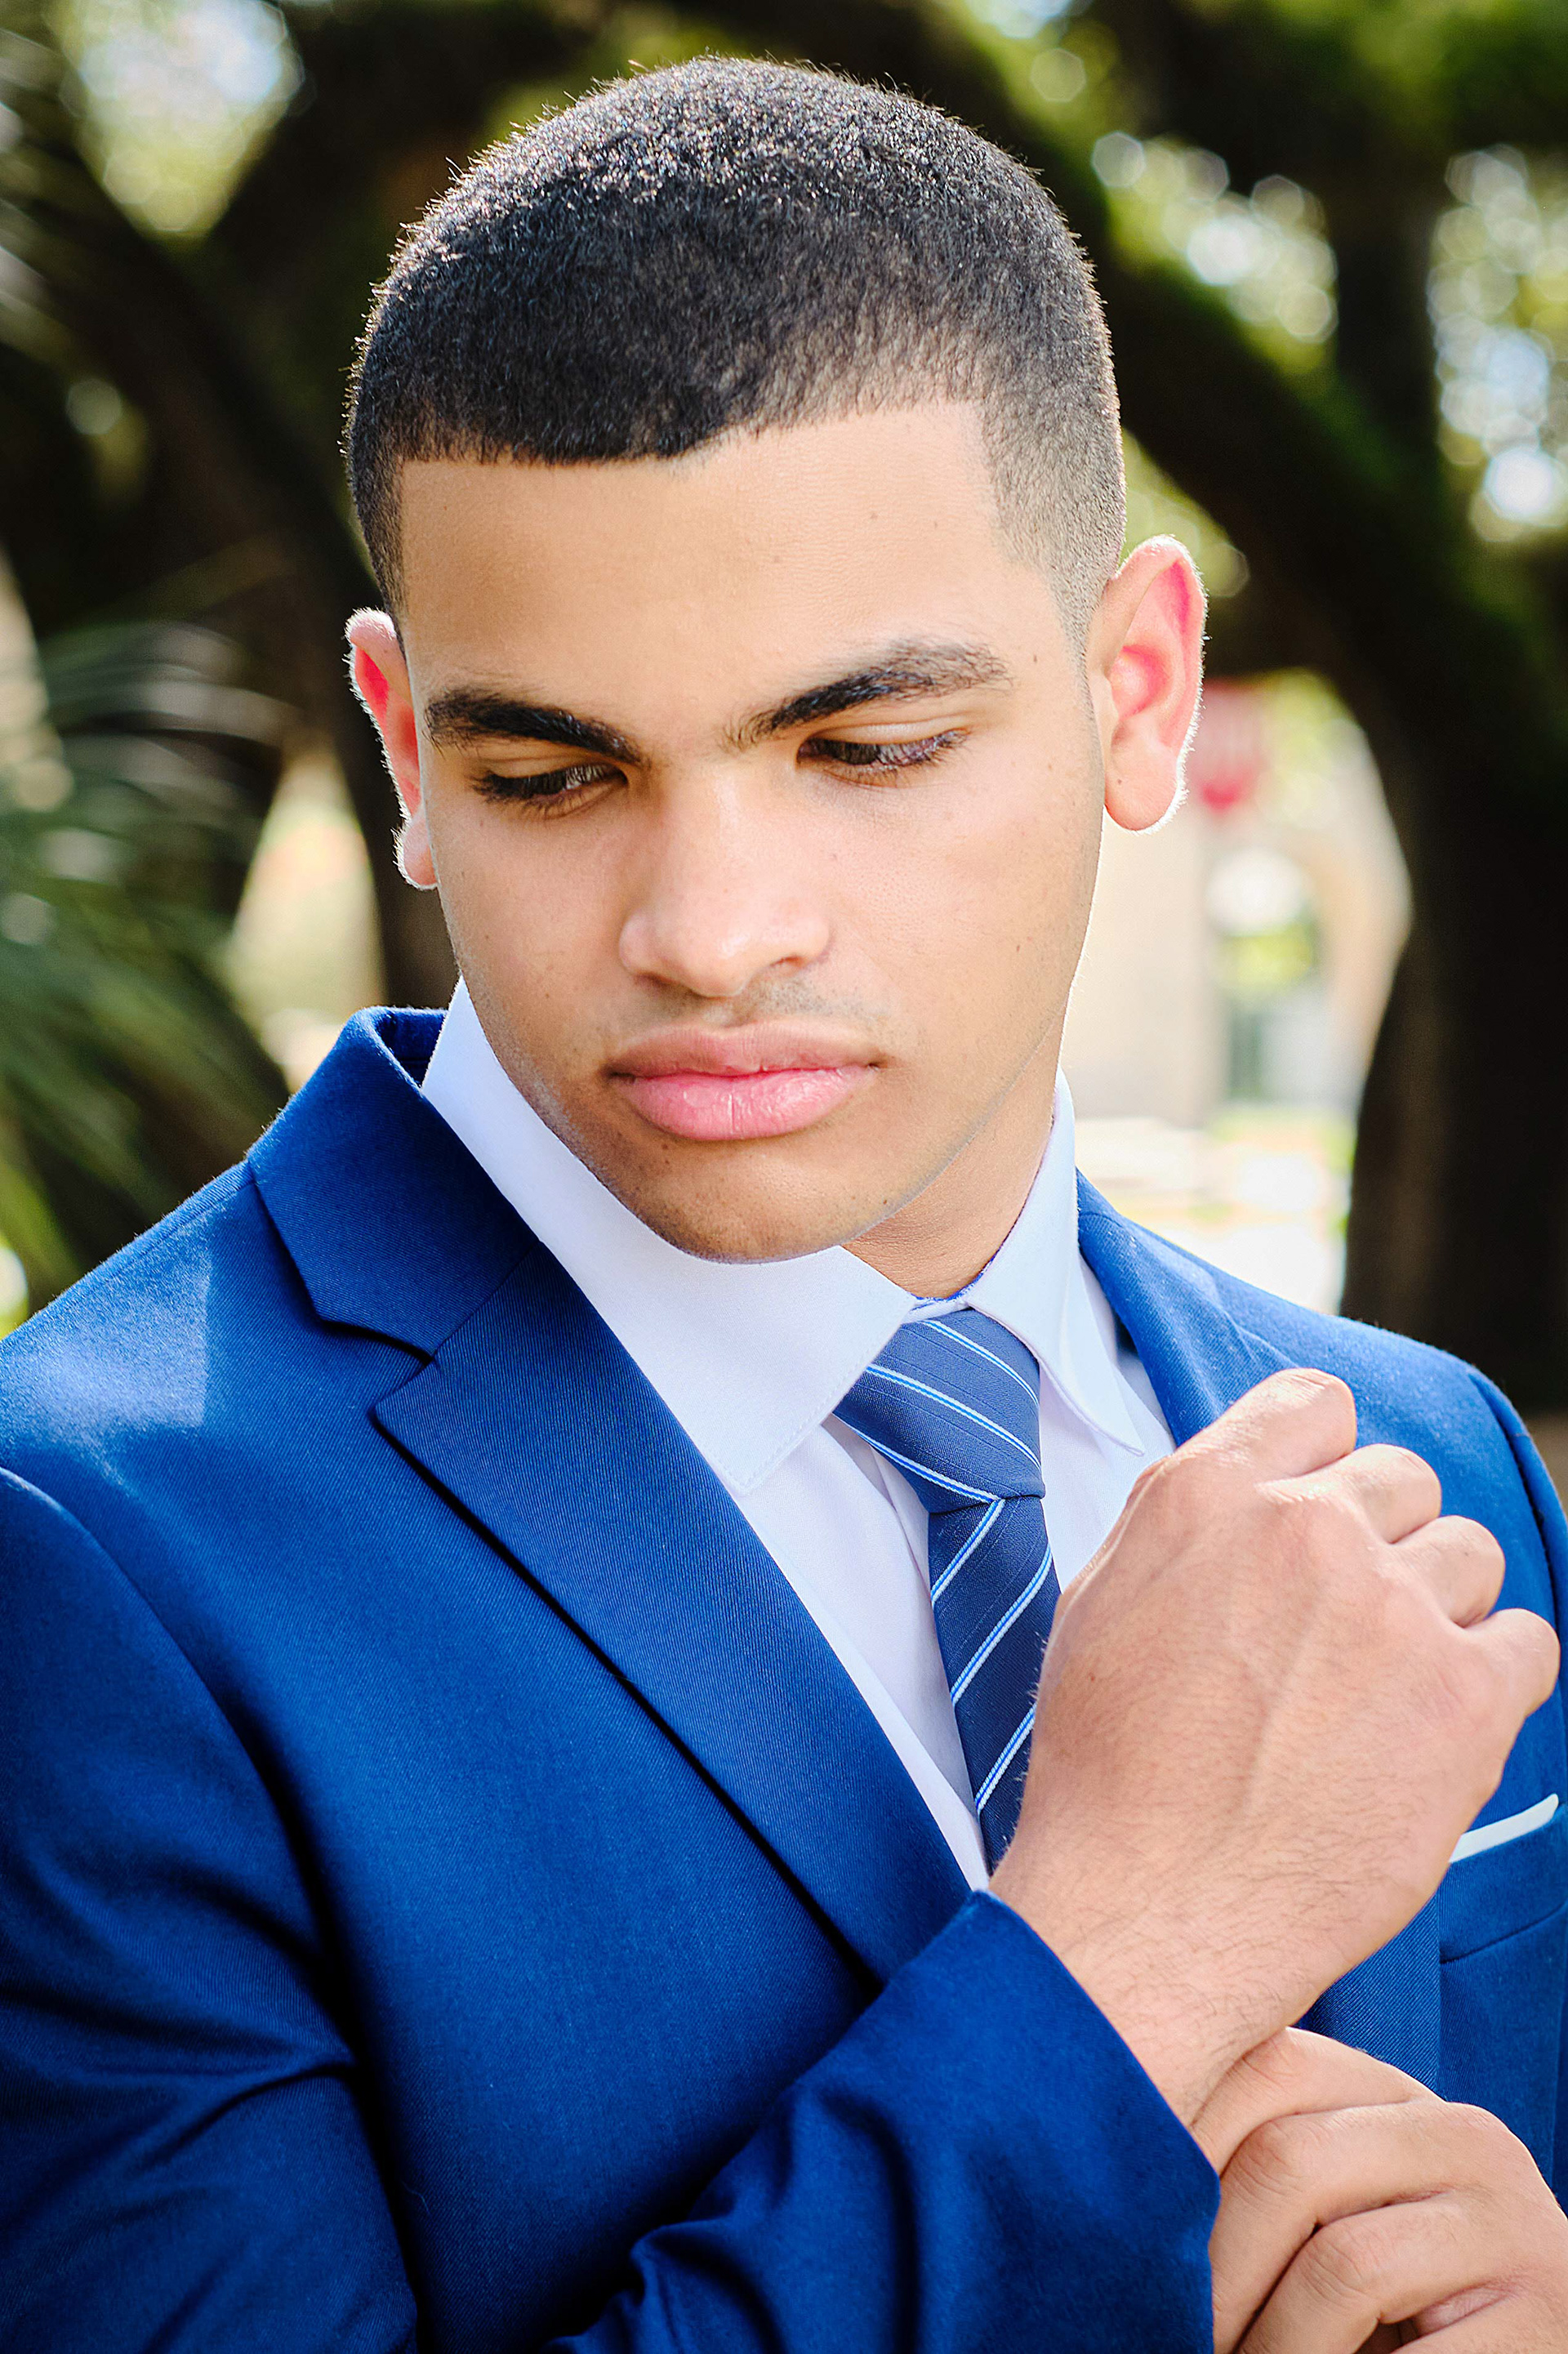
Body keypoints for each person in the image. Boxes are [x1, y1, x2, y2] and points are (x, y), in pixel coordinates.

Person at [2, 56, 1566, 2354]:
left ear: (1140, 691)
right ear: (406, 751)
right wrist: (1121, 1959)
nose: (712, 932)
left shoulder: (1434, 1454)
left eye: (867, 748)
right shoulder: (82, 1551)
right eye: (553, 774)